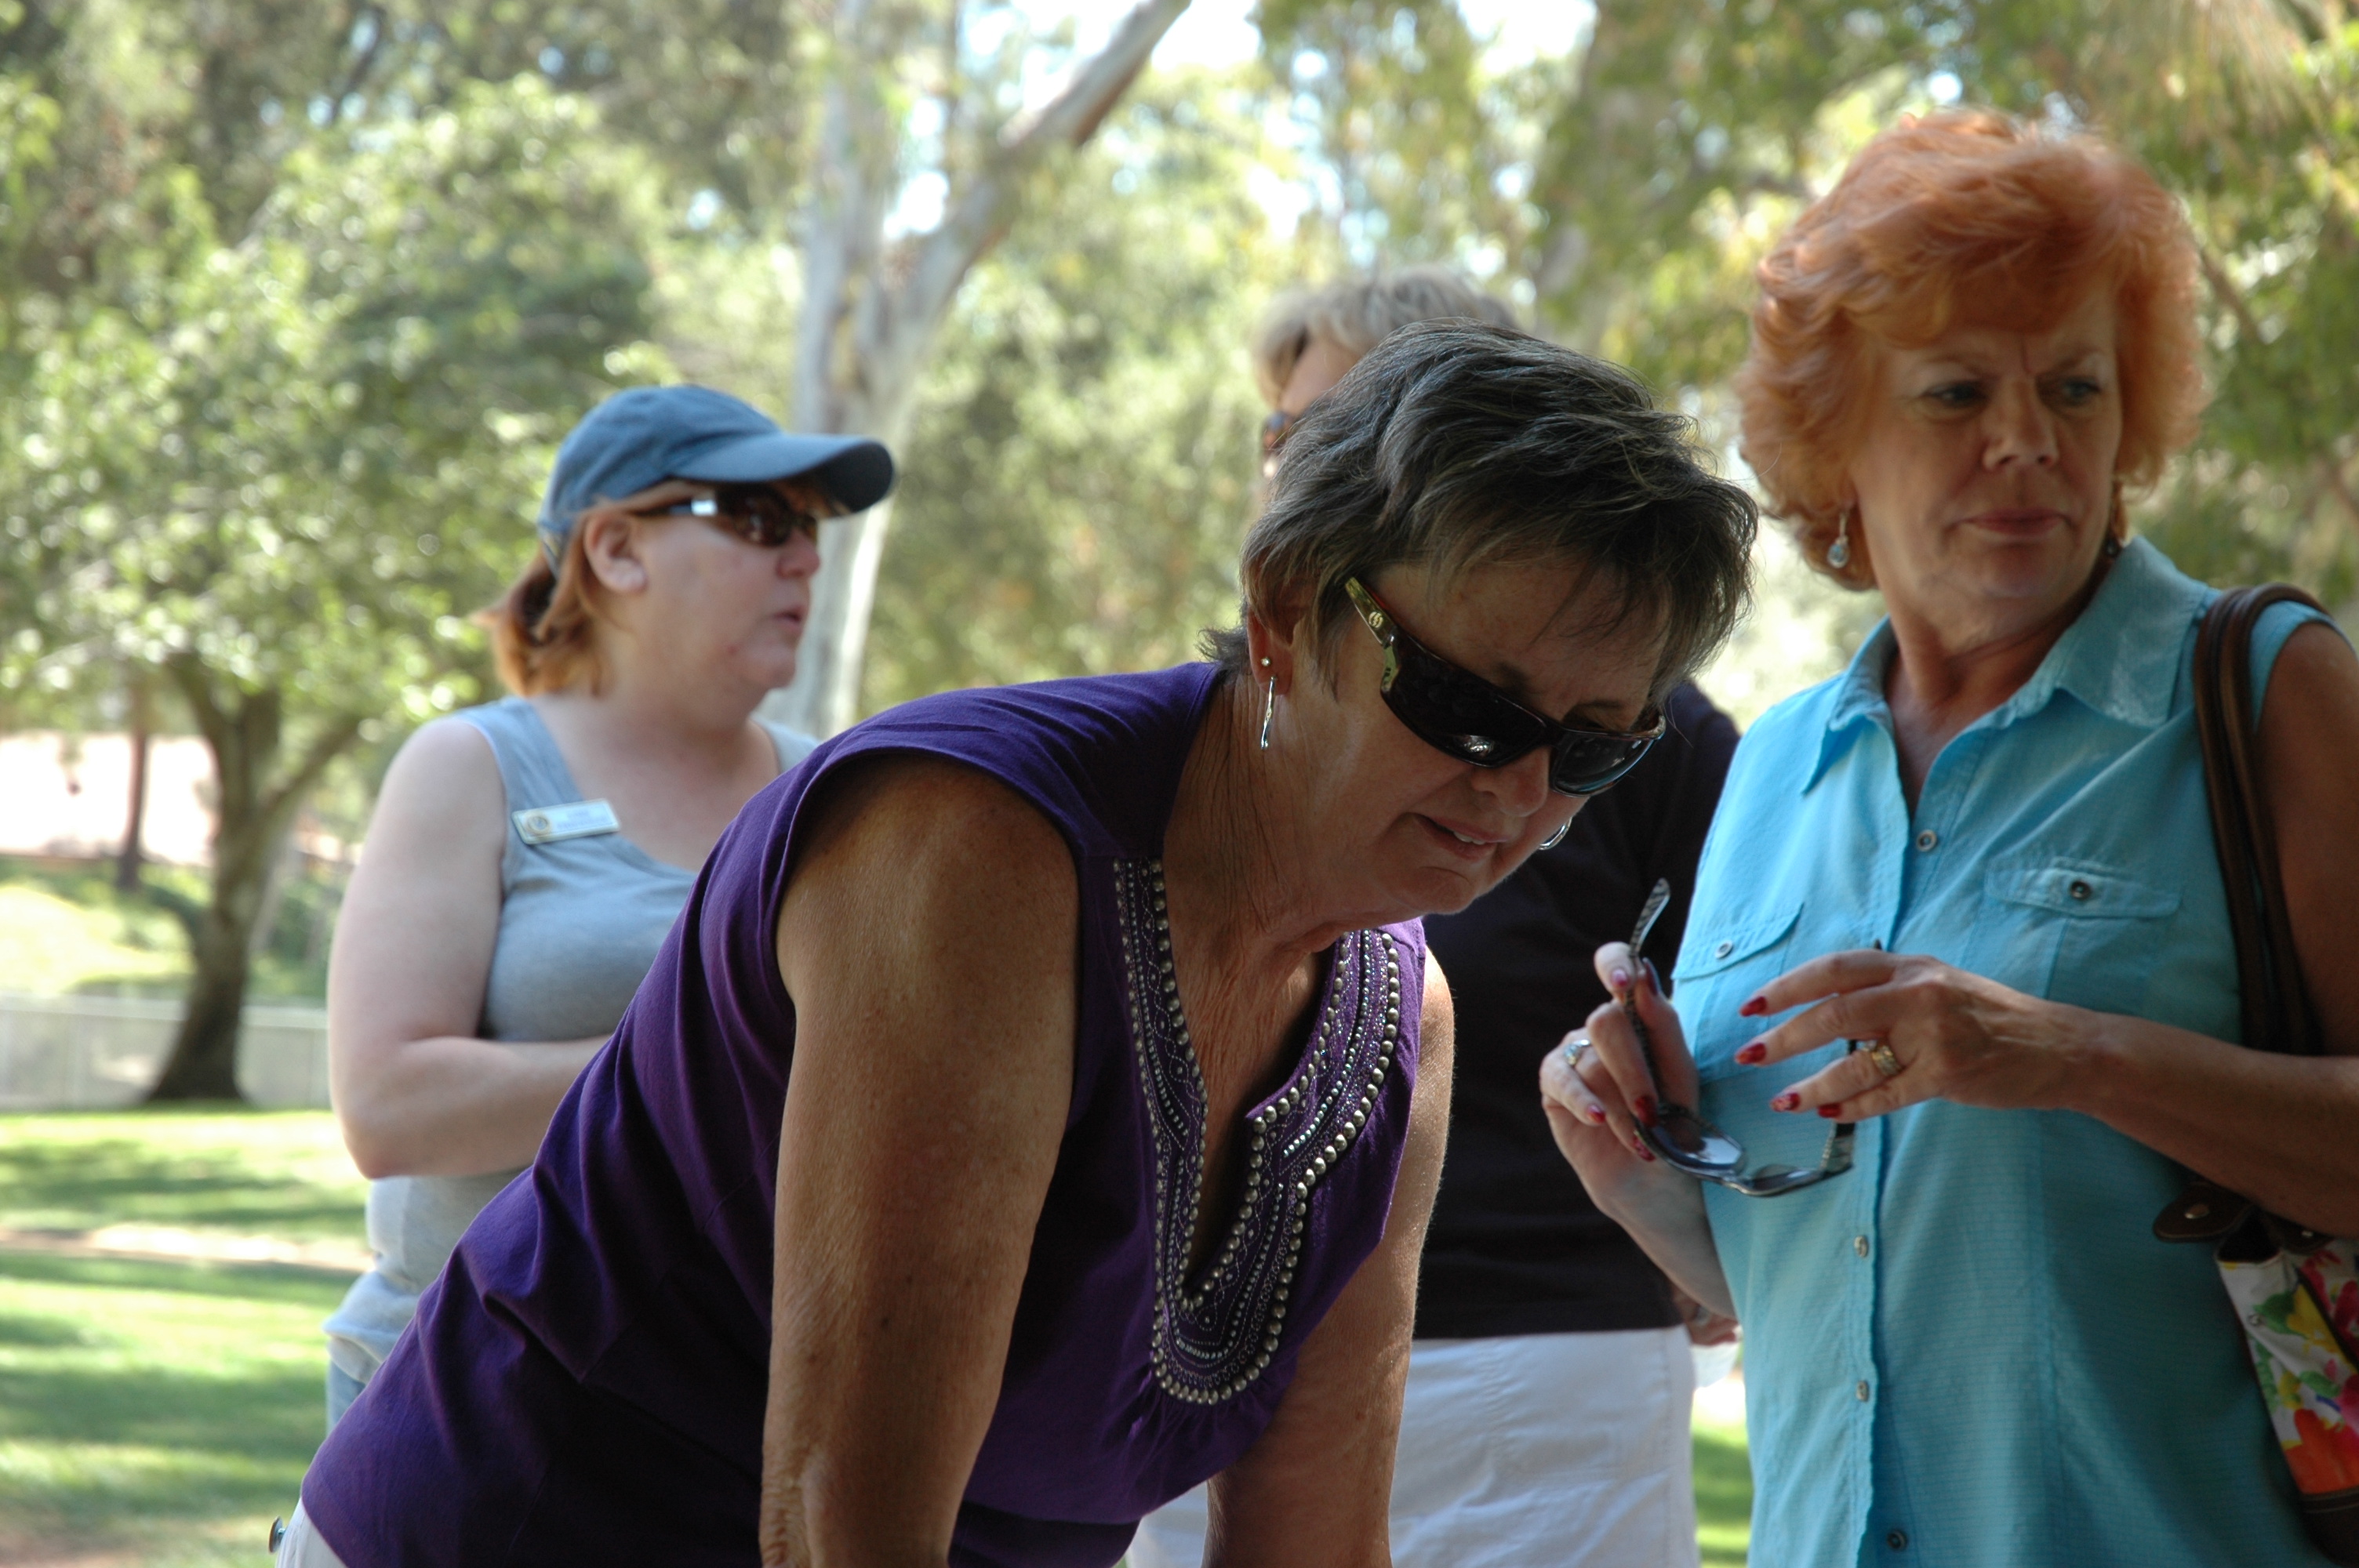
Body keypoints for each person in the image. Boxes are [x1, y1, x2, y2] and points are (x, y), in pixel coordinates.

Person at [275, 322, 1755, 1568]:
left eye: (1595, 749)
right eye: (1472, 707)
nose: (1519, 793)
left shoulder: (1399, 1023)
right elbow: (843, 1520)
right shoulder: (977, 849)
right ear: (1287, 610)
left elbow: (1311, 1541)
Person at [1541, 109, 2359, 1567]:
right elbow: (1798, 1291)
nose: (2028, 440)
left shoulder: (2262, 693)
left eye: (2075, 387)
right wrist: (1640, 1172)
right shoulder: (1773, 766)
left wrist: (2070, 1053)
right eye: (1957, 391)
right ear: (1835, 441)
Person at [1136, 267, 1741, 1568]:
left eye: (1336, 432)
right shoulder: (1180, 744)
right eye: (1284, 435)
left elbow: (1738, 1028)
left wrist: (1695, 1209)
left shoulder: (1656, 738)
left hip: (1546, 1367)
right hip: (1213, 1350)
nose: (1521, 788)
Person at [318, 385, 892, 1428]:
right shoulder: (471, 765)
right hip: (473, 1412)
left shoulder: (838, 799)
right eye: (758, 519)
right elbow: (388, 1108)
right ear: (618, 551)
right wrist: (715, 1061)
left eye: (807, 528)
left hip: (739, 1428)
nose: (804, 559)